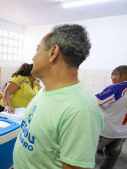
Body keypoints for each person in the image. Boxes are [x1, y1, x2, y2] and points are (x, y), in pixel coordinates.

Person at [12, 24, 104, 169]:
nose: (33, 57)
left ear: (53, 52)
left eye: (37, 50)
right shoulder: (45, 91)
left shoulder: (80, 109)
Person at [95, 65, 127, 169]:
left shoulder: (117, 88)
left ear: (118, 75)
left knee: (83, 153)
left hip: (105, 131)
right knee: (111, 157)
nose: (112, 80)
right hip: (123, 133)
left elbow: (94, 102)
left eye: (112, 77)